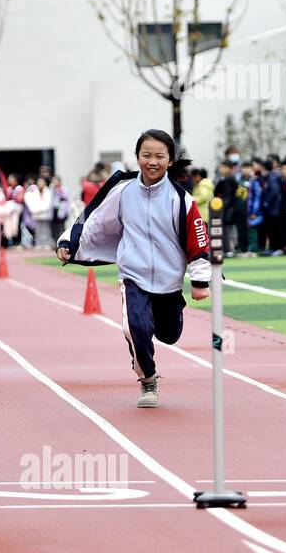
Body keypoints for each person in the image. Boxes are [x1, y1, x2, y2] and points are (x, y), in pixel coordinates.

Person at [57, 129, 210, 409]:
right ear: (137, 157)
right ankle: (148, 379)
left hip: (169, 280)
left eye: (159, 156)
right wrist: (69, 241)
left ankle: (148, 345)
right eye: (146, 155)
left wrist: (199, 280)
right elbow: (95, 220)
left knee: (168, 335)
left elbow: (198, 239)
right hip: (133, 275)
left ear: (170, 160)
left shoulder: (181, 199)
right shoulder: (123, 191)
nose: (153, 162)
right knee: (135, 327)